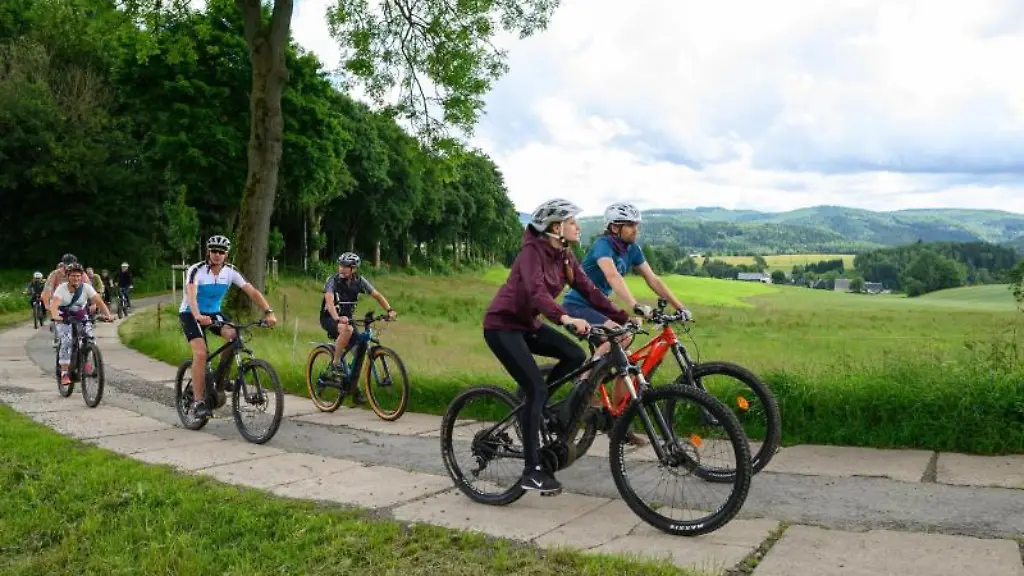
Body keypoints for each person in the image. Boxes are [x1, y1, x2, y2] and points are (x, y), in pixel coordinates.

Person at [483, 198, 630, 495]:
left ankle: (537, 409)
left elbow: (589, 290)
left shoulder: (564, 256)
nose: (577, 226)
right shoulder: (531, 252)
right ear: (555, 227)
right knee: (536, 389)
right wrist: (565, 318)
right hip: (502, 326)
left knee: (575, 355)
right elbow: (536, 292)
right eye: (572, 222)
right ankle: (531, 471)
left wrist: (623, 317)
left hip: (528, 325)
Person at [562, 202, 693, 421]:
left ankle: (618, 420)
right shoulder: (602, 245)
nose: (636, 229)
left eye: (636, 225)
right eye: (630, 225)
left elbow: (652, 279)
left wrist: (680, 307)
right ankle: (583, 385)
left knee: (626, 360)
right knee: (622, 336)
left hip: (599, 307)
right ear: (615, 227)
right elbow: (612, 275)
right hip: (578, 306)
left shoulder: (632, 250)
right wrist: (635, 305)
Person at [178, 235, 277, 419]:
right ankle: (198, 403)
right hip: (191, 313)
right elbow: (191, 295)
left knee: (234, 336)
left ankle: (220, 379)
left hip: (214, 313)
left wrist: (268, 312)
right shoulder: (197, 270)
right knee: (201, 353)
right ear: (208, 252)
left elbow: (253, 292)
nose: (217, 255)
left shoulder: (231, 271)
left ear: (226, 254)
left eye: (221, 252)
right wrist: (198, 315)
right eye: (214, 251)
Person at [319, 252, 396, 399]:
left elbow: (377, 295)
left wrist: (389, 310)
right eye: (340, 265)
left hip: (347, 319)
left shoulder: (359, 281)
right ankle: (336, 364)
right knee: (347, 330)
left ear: (353, 269)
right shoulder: (333, 280)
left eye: (346, 266)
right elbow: (329, 300)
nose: (341, 269)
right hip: (330, 318)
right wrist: (337, 318)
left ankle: (353, 388)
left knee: (360, 351)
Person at [48, 263, 114, 387]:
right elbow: (55, 305)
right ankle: (64, 373)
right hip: (63, 316)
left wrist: (108, 315)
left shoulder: (86, 288)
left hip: (80, 315)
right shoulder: (61, 288)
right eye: (73, 276)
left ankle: (87, 362)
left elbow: (99, 302)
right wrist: (55, 315)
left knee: (90, 338)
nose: (76, 278)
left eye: (78, 276)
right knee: (67, 341)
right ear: (68, 276)